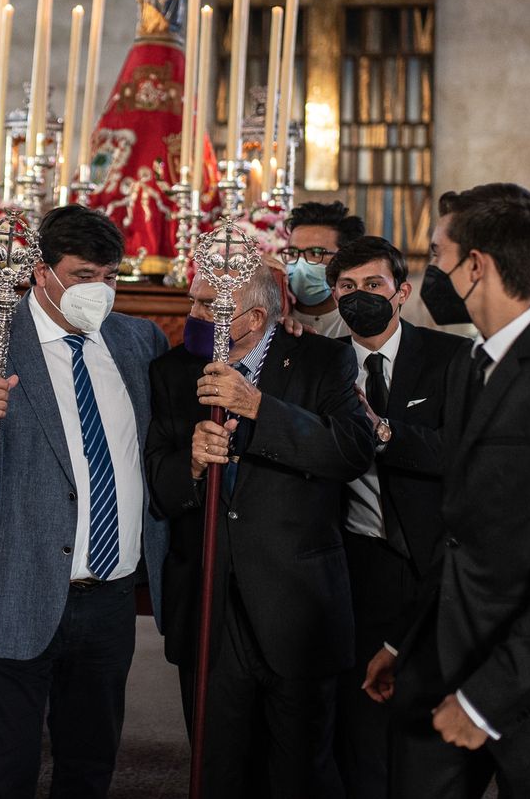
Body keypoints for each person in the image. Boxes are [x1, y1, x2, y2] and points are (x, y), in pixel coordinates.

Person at [0, 204, 169, 799]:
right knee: (3, 772)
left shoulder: (137, 340)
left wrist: (286, 327)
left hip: (109, 594)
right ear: (41, 272)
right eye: (82, 276)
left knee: (90, 765)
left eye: (110, 276)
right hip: (10, 588)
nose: (99, 291)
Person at [364, 183, 530, 799]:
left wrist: (485, 699)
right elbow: (458, 529)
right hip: (441, 660)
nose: (430, 270)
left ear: (475, 265)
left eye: (437, 255)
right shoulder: (467, 365)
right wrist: (404, 638)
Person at [145, 265, 376, 797]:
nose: (193, 314)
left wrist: (260, 408)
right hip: (209, 603)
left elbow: (350, 452)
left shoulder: (323, 360)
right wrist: (192, 465)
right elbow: (159, 485)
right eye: (194, 300)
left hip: (296, 605)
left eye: (208, 306)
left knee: (300, 773)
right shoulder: (173, 370)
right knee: (218, 771)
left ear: (253, 318)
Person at [326, 236, 470, 798]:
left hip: (432, 560)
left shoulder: (451, 358)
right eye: (347, 286)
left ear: (401, 292)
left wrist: (384, 431)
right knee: (360, 718)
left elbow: (463, 454)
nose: (359, 295)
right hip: (357, 558)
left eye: (373, 284)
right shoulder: (322, 361)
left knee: (424, 727)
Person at [284, 201, 366, 338]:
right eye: (293, 253)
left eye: (316, 253)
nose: (300, 265)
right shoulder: (272, 323)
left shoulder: (361, 327)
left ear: (346, 259)